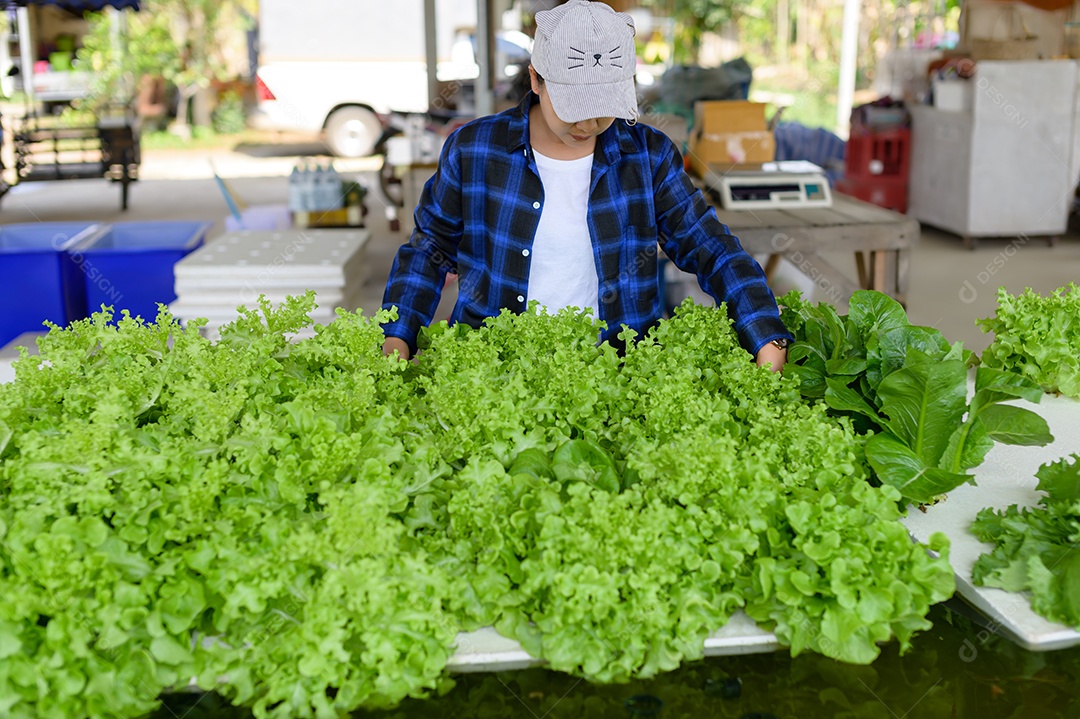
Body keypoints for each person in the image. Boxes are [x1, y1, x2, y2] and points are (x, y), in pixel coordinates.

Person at [382, 0, 791, 371]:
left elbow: (711, 247)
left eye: (602, 109)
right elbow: (430, 248)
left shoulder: (647, 157)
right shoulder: (474, 150)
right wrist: (397, 333)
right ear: (536, 80)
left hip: (616, 371)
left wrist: (764, 332)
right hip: (493, 368)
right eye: (575, 107)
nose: (588, 125)